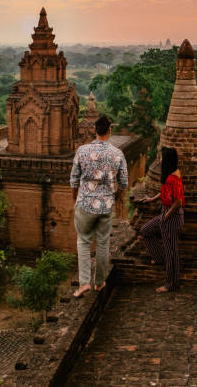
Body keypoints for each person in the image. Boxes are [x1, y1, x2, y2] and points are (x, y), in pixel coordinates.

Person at [70, 115, 128, 298]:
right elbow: (124, 183)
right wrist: (114, 197)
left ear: (95, 130)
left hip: (85, 203)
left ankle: (84, 283)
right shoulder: (117, 154)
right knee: (103, 243)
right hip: (106, 206)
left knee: (83, 242)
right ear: (109, 131)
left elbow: (73, 181)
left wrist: (77, 200)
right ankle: (99, 282)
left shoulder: (82, 151)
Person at [140, 146, 185, 293]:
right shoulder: (169, 175)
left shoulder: (175, 177)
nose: (159, 159)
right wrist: (152, 199)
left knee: (172, 251)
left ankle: (172, 284)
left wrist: (165, 217)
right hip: (166, 213)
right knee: (145, 231)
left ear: (167, 160)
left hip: (172, 216)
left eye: (161, 157)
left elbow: (178, 202)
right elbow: (165, 192)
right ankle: (159, 258)